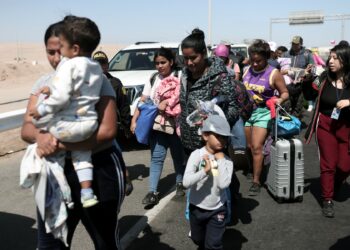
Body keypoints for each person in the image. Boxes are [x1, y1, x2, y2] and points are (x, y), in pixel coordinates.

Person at [21, 18, 126, 249]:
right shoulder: (43, 83)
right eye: (50, 52)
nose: (57, 59)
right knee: (51, 244)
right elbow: (27, 128)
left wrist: (61, 145)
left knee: (104, 241)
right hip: (54, 176)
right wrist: (40, 138)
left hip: (97, 172)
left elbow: (108, 131)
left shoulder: (96, 80)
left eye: (61, 51)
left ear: (74, 47)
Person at [28, 16, 104, 208]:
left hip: (67, 126)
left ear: (75, 48)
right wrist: (51, 89)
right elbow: (77, 91)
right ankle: (87, 192)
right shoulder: (95, 68)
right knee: (82, 154)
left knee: (45, 133)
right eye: (51, 51)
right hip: (87, 126)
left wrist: (42, 109)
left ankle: (63, 193)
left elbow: (62, 98)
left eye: (61, 47)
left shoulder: (69, 65)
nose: (58, 55)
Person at [130, 47, 185, 206]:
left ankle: (179, 183)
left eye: (163, 62)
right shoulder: (154, 78)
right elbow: (143, 101)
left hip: (176, 124)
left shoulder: (180, 76)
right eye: (157, 63)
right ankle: (152, 192)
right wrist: (134, 120)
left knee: (177, 156)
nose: (160, 66)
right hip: (157, 125)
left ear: (171, 62)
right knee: (157, 158)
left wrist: (169, 103)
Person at [305, 44, 350, 218]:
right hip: (325, 125)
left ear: (345, 60)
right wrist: (307, 80)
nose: (330, 61)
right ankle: (327, 199)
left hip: (346, 127)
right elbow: (309, 94)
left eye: (335, 58)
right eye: (330, 57)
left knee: (345, 166)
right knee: (328, 164)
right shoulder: (324, 77)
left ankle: (336, 183)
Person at [243, 39, 289, 196]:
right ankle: (253, 167)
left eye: (259, 61)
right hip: (247, 112)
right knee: (248, 147)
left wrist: (279, 100)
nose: (255, 64)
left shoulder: (273, 73)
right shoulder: (246, 70)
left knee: (257, 147)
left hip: (263, 113)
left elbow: (285, 93)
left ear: (266, 58)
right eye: (253, 60)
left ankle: (256, 181)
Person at [183, 114, 233, 250]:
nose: (222, 140)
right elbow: (186, 182)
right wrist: (204, 171)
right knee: (198, 239)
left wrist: (221, 159)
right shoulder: (196, 155)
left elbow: (223, 184)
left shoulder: (227, 160)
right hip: (196, 207)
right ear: (205, 136)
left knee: (213, 245)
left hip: (217, 209)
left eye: (225, 137)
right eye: (218, 136)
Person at [92, 51, 132, 143]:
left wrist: (126, 127)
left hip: (110, 126)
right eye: (97, 64)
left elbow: (124, 106)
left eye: (103, 63)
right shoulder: (87, 83)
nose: (101, 67)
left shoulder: (115, 83)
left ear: (107, 65)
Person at [282, 36, 315, 116]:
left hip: (301, 84)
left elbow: (312, 67)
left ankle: (296, 122)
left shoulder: (307, 54)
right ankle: (287, 123)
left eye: (296, 44)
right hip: (288, 84)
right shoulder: (286, 54)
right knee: (287, 106)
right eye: (293, 44)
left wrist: (309, 68)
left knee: (298, 107)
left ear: (301, 44)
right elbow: (282, 67)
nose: (294, 46)